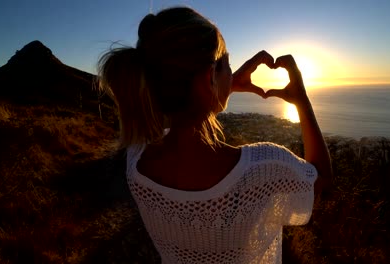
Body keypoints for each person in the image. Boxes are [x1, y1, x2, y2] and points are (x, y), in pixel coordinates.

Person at [98, 6, 332, 264]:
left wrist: (224, 87)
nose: (231, 73)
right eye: (227, 65)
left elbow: (187, 121)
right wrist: (302, 100)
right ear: (210, 77)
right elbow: (320, 177)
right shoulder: (265, 168)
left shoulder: (136, 158)